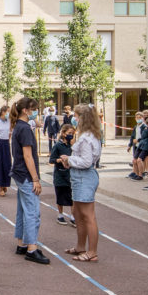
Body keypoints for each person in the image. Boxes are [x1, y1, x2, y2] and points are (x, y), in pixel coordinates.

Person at [58, 104, 103, 262]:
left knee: (88, 216)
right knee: (77, 212)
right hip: (79, 177)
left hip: (84, 177)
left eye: (76, 117)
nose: (74, 119)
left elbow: (86, 161)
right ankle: (80, 246)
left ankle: (92, 252)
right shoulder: (90, 135)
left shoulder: (86, 138)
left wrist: (68, 159)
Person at [10, 97, 49, 265]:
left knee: (22, 209)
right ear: (26, 110)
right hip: (25, 174)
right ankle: (32, 248)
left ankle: (22, 243)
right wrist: (35, 179)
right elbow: (28, 155)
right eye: (34, 109)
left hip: (19, 173)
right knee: (32, 212)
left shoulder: (18, 126)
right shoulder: (25, 129)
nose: (36, 113)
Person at [49, 122, 75, 224]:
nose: (71, 135)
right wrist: (60, 160)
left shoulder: (72, 146)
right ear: (63, 133)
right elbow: (52, 160)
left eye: (72, 133)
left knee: (72, 196)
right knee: (60, 196)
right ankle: (60, 215)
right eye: (69, 133)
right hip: (60, 175)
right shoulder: (58, 146)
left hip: (70, 175)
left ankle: (73, 216)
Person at [127, 111, 148, 180]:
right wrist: (130, 145)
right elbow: (132, 136)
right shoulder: (136, 127)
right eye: (137, 118)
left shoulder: (145, 127)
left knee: (140, 160)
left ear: (143, 118)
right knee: (134, 160)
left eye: (140, 117)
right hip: (136, 145)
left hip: (143, 145)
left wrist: (138, 140)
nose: (138, 119)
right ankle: (135, 173)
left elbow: (145, 137)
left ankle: (141, 173)